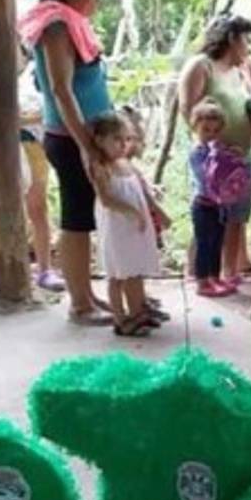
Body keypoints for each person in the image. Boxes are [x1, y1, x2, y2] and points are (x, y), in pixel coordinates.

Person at [18, 0, 114, 325]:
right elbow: (60, 89)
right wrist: (87, 146)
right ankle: (80, 305)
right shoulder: (56, 25)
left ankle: (86, 294)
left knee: (84, 218)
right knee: (76, 220)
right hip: (70, 138)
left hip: (83, 136)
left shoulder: (67, 22)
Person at [178, 15, 251, 285]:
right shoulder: (202, 66)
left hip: (241, 156)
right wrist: (210, 143)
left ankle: (229, 271)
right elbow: (187, 108)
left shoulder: (242, 70)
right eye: (246, 40)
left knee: (237, 215)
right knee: (210, 213)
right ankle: (200, 272)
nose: (249, 47)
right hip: (212, 158)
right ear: (232, 39)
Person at [89, 111, 169, 337]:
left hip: (136, 227)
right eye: (116, 139)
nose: (123, 145)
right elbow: (106, 199)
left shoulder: (126, 164)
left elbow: (143, 189)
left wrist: (157, 210)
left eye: (126, 139)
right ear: (100, 140)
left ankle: (138, 311)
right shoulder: (101, 167)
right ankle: (121, 318)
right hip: (118, 227)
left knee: (135, 271)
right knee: (118, 274)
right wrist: (132, 212)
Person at [16, 44, 65, 293]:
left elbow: (46, 109)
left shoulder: (37, 72)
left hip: (34, 145)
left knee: (37, 207)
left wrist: (22, 118)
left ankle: (44, 268)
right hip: (2, 148)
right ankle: (0, 270)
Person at [187, 100, 234, 298]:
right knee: (204, 243)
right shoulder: (197, 153)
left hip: (219, 205)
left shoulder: (220, 150)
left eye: (215, 131)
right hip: (203, 204)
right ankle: (201, 280)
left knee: (217, 241)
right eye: (206, 130)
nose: (211, 135)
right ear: (196, 127)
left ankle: (215, 277)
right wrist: (217, 159)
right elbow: (204, 176)